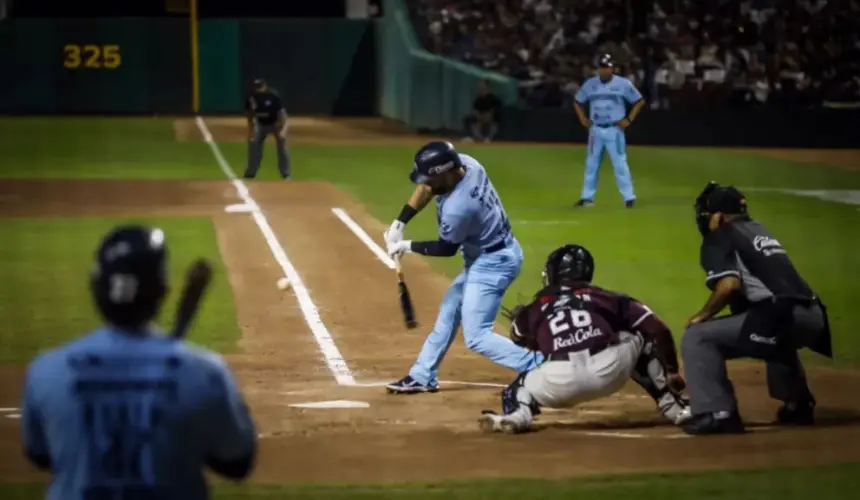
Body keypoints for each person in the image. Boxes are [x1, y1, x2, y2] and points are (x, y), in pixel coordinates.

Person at [21, 225, 257, 499]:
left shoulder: (46, 371)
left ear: (97, 287)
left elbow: (41, 454)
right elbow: (238, 462)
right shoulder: (204, 374)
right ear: (162, 290)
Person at [478, 244, 691, 434]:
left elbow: (518, 336)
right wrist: (671, 370)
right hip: (610, 370)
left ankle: (518, 416)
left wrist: (534, 326)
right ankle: (674, 408)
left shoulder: (536, 307)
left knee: (521, 384)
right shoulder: (607, 298)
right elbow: (658, 329)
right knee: (637, 334)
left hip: (559, 382)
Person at [383, 141, 542, 394]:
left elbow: (446, 249)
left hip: (494, 263)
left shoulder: (460, 207)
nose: (427, 184)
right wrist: (400, 221)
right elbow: (426, 187)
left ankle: (540, 367)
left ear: (445, 172)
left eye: (432, 178)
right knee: (449, 311)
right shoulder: (466, 164)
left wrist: (406, 246)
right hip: (488, 255)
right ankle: (423, 375)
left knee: (477, 336)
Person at [680, 182, 832, 435]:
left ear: (719, 216)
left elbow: (728, 285)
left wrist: (702, 316)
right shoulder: (758, 230)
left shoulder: (720, 236)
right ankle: (798, 405)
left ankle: (718, 413)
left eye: (706, 214)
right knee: (769, 329)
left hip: (783, 318)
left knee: (698, 337)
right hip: (813, 317)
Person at [573, 54, 646, 208]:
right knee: (591, 164)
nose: (603, 71)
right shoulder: (590, 84)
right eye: (601, 67)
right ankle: (587, 197)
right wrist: (582, 119)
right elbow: (577, 101)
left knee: (620, 163)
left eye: (606, 67)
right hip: (596, 129)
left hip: (614, 129)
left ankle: (629, 197)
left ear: (613, 68)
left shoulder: (623, 84)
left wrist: (629, 119)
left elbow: (639, 101)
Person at [244, 78, 291, 179]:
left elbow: (284, 117)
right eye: (256, 88)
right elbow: (250, 115)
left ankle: (285, 173)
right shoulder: (251, 98)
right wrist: (250, 131)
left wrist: (283, 131)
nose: (258, 90)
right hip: (260, 124)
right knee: (254, 144)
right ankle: (251, 172)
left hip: (276, 123)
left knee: (282, 146)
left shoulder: (273, 97)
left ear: (265, 87)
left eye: (260, 88)